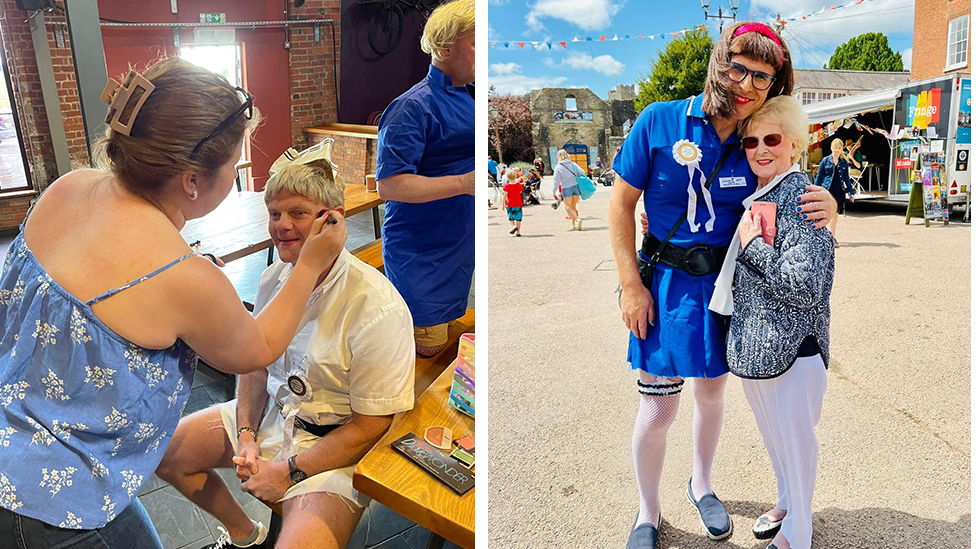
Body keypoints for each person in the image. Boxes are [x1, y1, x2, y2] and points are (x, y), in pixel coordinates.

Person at [0, 57, 347, 548]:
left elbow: (100, 269)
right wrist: (310, 265)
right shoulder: (182, 278)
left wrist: (180, 266)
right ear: (191, 180)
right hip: (59, 500)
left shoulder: (68, 186)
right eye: (232, 165)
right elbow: (259, 346)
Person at [608, 22, 836, 549]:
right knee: (659, 406)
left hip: (725, 289)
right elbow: (621, 204)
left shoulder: (756, 135)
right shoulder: (659, 120)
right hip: (663, 286)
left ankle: (702, 484)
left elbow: (787, 183)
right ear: (720, 63)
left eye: (763, 75)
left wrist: (833, 208)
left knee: (712, 396)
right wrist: (629, 284)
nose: (748, 84)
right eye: (740, 67)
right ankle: (648, 510)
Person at [156, 150, 415, 549]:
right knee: (168, 453)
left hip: (334, 446)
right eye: (275, 213)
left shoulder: (376, 307)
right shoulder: (274, 276)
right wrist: (245, 432)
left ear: (334, 219)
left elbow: (370, 426)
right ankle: (246, 536)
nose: (282, 226)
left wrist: (289, 473)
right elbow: (254, 364)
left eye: (298, 213)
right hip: (277, 415)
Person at [711, 96, 833, 549]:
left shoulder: (802, 198)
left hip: (792, 350)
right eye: (751, 141)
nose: (760, 149)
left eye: (773, 139)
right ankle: (787, 502)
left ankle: (798, 534)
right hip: (762, 346)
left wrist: (754, 248)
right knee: (777, 439)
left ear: (795, 145)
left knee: (796, 445)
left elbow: (807, 287)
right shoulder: (763, 193)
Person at [375, 0, 474, 358]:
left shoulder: (468, 97)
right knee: (428, 352)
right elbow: (389, 185)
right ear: (446, 47)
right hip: (422, 253)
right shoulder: (411, 106)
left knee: (448, 347)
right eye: (477, 43)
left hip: (458, 245)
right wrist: (463, 183)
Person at [814, 138, 856, 245]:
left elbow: (847, 178)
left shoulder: (844, 162)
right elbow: (819, 177)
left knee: (835, 215)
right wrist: (814, 191)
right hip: (827, 190)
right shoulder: (825, 160)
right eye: (835, 148)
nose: (837, 150)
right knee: (824, 214)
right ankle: (821, 236)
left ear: (842, 149)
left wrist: (851, 192)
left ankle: (832, 237)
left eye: (839, 148)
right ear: (831, 148)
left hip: (839, 191)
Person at [553, 149, 585, 231]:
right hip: (576, 186)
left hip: (566, 187)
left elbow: (556, 181)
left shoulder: (558, 167)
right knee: (573, 206)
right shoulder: (573, 164)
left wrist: (554, 191)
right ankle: (573, 224)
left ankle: (577, 219)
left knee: (568, 207)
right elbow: (582, 172)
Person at [502, 169, 525, 237]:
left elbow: (505, 196)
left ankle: (513, 226)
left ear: (508, 178)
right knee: (518, 218)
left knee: (510, 217)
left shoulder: (506, 186)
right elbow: (521, 192)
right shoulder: (518, 185)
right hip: (518, 203)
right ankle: (518, 231)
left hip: (510, 203)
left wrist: (503, 204)